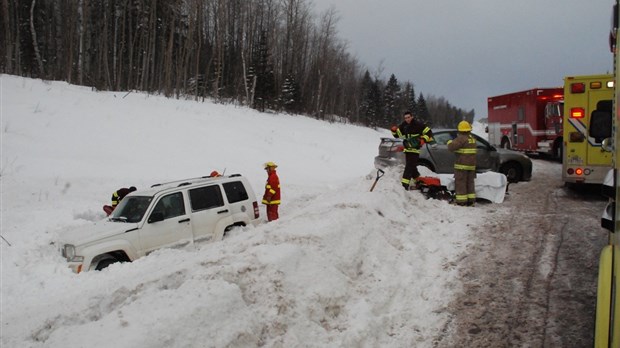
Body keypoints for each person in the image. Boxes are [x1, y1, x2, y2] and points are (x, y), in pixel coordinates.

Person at [391, 111, 434, 190]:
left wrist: (423, 139)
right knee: (412, 167)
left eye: (408, 117)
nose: (407, 119)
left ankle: (404, 186)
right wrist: (393, 130)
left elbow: (429, 132)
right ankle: (419, 181)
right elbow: (397, 135)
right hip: (407, 149)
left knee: (409, 168)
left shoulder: (418, 125)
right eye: (405, 118)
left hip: (415, 150)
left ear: (412, 117)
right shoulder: (403, 126)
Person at [447, 121, 477, 206]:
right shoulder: (472, 138)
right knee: (470, 183)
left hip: (462, 166)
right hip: (471, 166)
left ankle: (461, 201)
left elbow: (451, 148)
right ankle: (471, 201)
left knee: (461, 183)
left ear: (460, 130)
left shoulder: (461, 138)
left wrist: (449, 142)